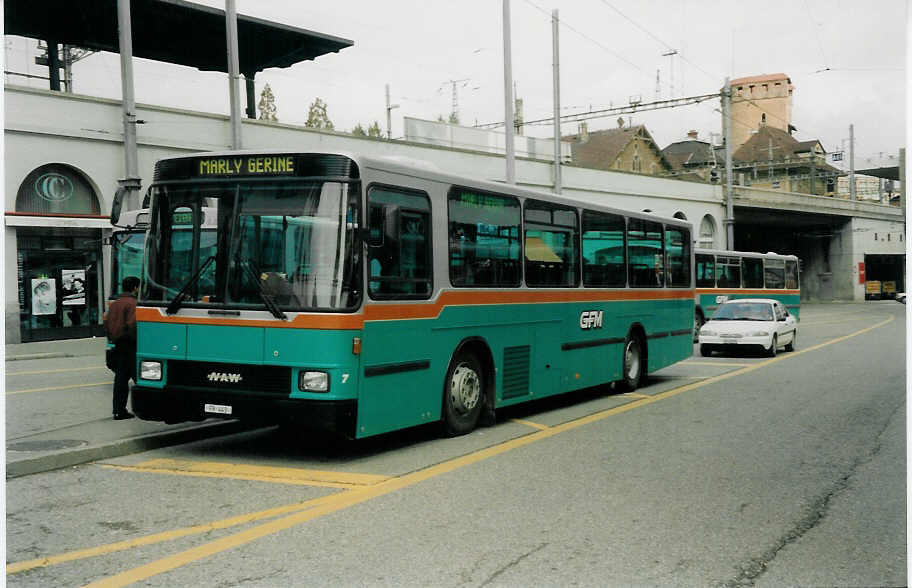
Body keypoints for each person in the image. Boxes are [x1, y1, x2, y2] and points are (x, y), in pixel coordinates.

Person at [104, 276, 140, 420]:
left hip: (117, 344)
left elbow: (106, 323)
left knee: (120, 380)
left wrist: (113, 338)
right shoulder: (133, 304)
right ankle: (154, 406)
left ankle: (118, 410)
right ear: (135, 288)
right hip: (130, 345)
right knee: (142, 377)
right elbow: (133, 325)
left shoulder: (114, 304)